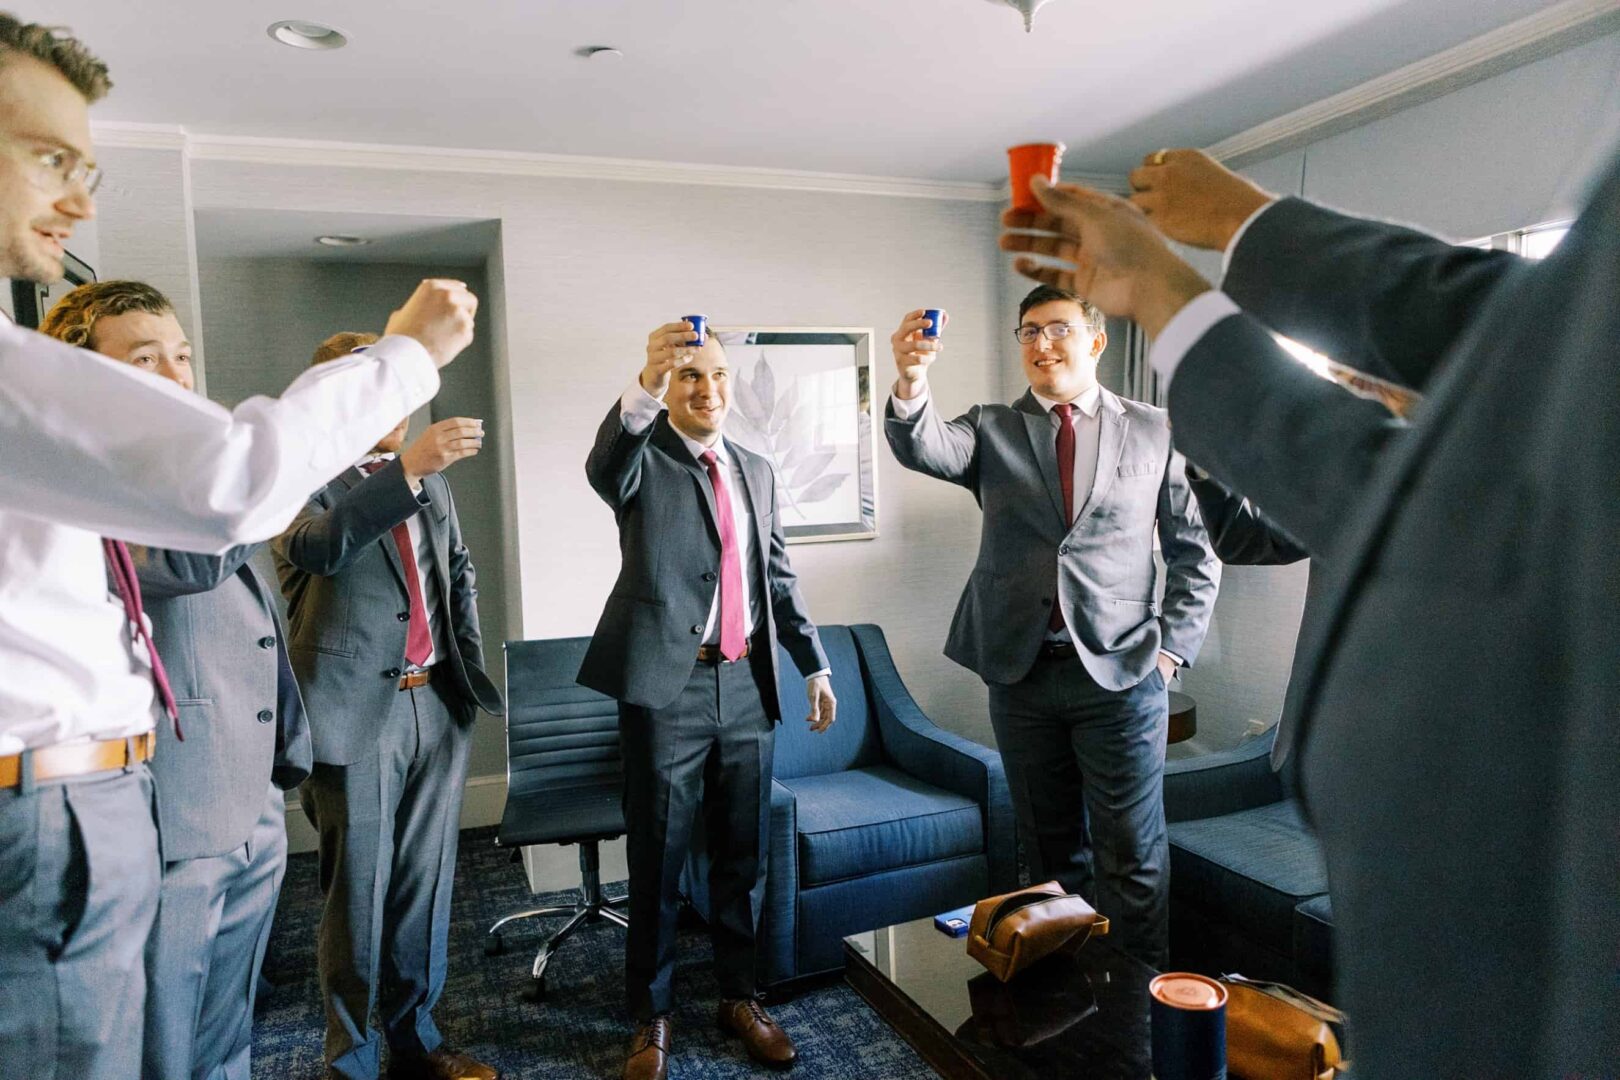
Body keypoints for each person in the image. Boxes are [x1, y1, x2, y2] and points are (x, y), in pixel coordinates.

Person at [998, 144, 1619, 1077]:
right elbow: (1253, 538)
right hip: (1413, 872)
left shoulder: (1515, 465)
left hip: (1524, 889)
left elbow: (1517, 351)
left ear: (1091, 340)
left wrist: (1184, 288)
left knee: (1132, 864)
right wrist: (1226, 264)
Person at [0, 16, 474, 1079]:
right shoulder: (68, 427)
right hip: (75, 813)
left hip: (212, 785)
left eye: (87, 168)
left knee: (213, 1049)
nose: (77, 200)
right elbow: (239, 512)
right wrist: (404, 360)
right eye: (45, 157)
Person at [883, 291, 1219, 967]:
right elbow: (926, 446)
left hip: (1124, 676)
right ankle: (1068, 1006)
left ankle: (1135, 1013)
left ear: (1095, 341)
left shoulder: (1156, 429)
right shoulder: (993, 427)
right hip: (1022, 673)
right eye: (1029, 332)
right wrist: (912, 381)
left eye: (1058, 330)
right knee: (1048, 852)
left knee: (1134, 856)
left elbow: (1195, 553)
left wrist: (1171, 655)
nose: (1042, 344)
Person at [39, 280, 309, 1080]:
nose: (178, 377)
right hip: (175, 803)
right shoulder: (84, 478)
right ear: (84, 373)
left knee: (230, 1016)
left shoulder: (179, 469)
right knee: (167, 1024)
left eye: (183, 356)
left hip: (250, 783)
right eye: (146, 358)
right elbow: (194, 563)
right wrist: (267, 469)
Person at [579, 322, 836, 1080]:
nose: (709, 390)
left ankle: (738, 996)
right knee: (658, 859)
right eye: (692, 377)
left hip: (748, 683)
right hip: (669, 687)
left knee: (741, 855)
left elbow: (776, 577)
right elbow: (603, 464)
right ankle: (650, 1016)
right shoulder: (642, 460)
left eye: (718, 376)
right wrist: (646, 378)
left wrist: (813, 666)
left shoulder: (755, 469)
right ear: (670, 388)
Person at [272, 332, 505, 1080]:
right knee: (357, 895)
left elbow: (457, 572)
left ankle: (416, 1039)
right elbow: (318, 548)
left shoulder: (431, 481)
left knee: (425, 885)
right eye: (380, 389)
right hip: (352, 714)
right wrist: (406, 471)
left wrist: (462, 678)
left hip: (437, 702)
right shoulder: (297, 476)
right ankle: (352, 1057)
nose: (400, 407)